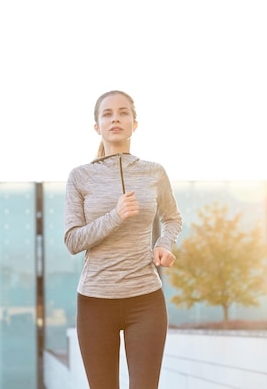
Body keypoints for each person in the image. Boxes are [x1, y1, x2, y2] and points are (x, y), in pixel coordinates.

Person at [64, 90, 182, 389]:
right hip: (95, 302)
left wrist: (164, 244)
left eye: (123, 112)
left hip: (145, 300)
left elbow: (172, 218)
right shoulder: (80, 177)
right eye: (107, 113)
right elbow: (73, 241)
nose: (115, 117)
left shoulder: (154, 173)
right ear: (97, 127)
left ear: (134, 123)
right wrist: (115, 215)